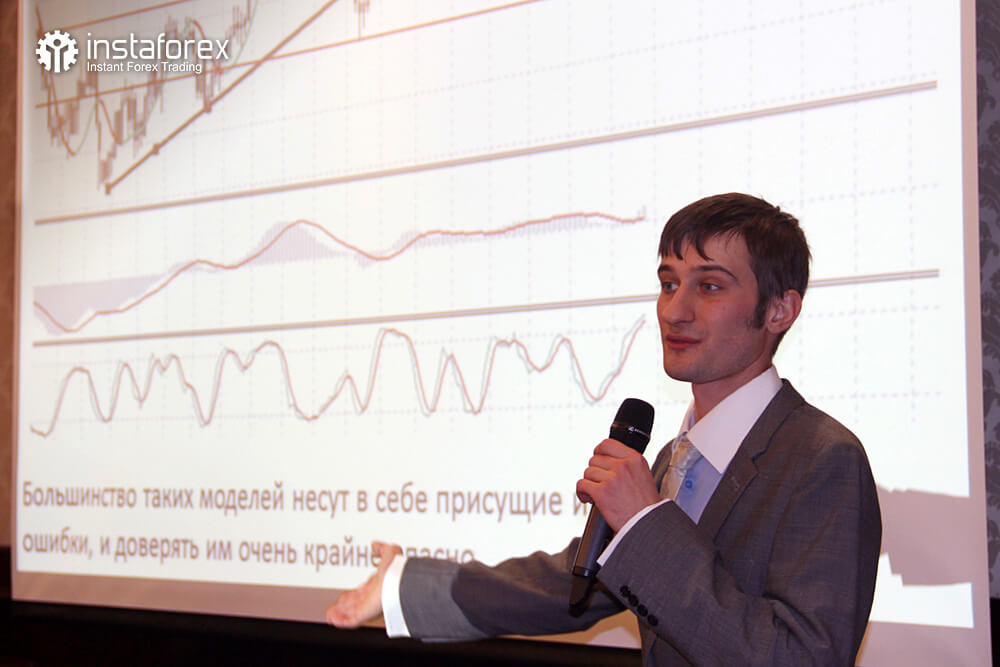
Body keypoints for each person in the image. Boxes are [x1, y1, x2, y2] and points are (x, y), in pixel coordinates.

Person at [326, 193, 882, 666]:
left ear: (780, 310)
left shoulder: (822, 458)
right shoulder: (674, 457)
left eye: (710, 287)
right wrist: (402, 584)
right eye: (668, 283)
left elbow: (801, 658)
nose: (675, 310)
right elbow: (570, 588)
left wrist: (644, 522)